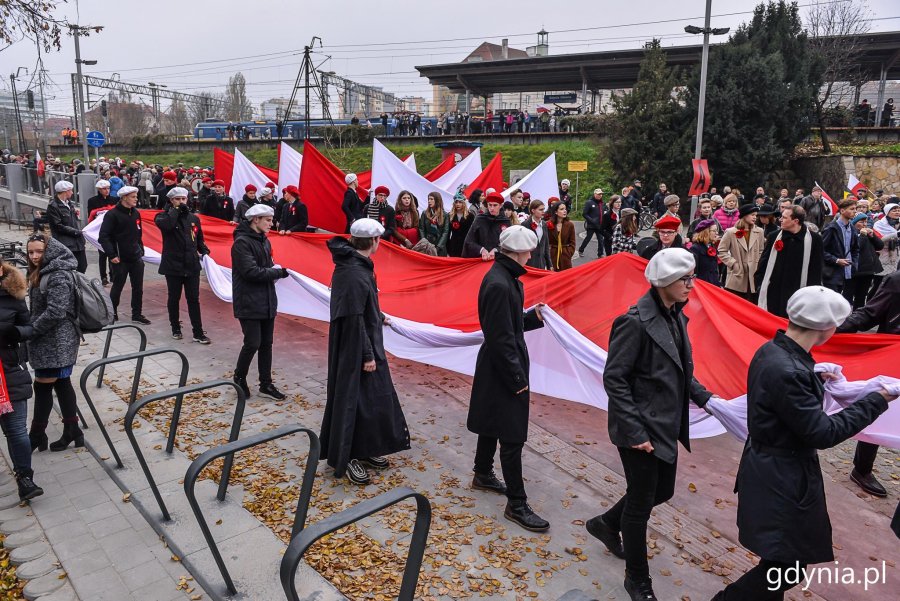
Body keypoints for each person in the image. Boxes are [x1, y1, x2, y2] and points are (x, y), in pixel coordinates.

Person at [712, 287, 896, 601]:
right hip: (782, 477)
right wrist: (875, 401)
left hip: (772, 469)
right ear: (827, 328)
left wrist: (814, 379)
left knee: (780, 559)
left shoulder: (774, 352)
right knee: (787, 565)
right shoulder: (790, 370)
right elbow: (822, 433)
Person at [594, 248, 714, 601]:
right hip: (640, 430)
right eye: (685, 279)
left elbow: (680, 368)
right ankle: (637, 579)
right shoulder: (634, 322)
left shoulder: (676, 314)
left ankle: (604, 523)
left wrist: (706, 397)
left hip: (665, 424)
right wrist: (634, 432)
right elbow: (614, 379)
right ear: (664, 282)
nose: (692, 284)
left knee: (662, 492)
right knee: (641, 504)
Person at [467, 225, 549, 532]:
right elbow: (501, 337)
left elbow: (508, 325)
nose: (530, 255)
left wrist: (531, 317)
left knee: (492, 420)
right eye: (528, 251)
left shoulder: (506, 278)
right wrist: (518, 379)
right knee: (512, 435)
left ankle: (483, 472)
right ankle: (516, 504)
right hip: (503, 366)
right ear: (516, 253)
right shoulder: (501, 284)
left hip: (497, 364)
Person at [320, 218, 410, 484]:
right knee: (353, 401)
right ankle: (347, 457)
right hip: (356, 349)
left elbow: (362, 305)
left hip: (364, 342)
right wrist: (367, 355)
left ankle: (367, 448)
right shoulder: (353, 272)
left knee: (371, 399)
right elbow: (353, 317)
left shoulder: (357, 266)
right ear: (373, 241)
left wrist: (377, 314)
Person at [836, 269, 900, 499]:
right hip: (893, 355)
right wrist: (830, 330)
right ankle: (862, 469)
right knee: (880, 407)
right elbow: (869, 314)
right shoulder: (896, 280)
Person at [24, 234, 84, 453]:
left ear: (49, 250)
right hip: (49, 339)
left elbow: (55, 312)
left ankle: (36, 435)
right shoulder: (41, 271)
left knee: (41, 386)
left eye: (39, 251)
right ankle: (72, 429)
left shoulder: (58, 274)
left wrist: (30, 330)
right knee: (61, 382)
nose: (34, 256)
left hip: (57, 341)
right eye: (31, 252)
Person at [231, 204, 290, 400]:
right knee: (252, 342)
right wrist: (278, 272)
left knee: (266, 343)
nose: (271, 224)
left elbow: (266, 266)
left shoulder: (264, 240)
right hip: (248, 301)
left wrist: (275, 269)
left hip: (266, 300)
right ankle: (239, 377)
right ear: (255, 220)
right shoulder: (241, 243)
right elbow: (250, 272)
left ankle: (266, 384)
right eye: (268, 220)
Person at [0, 261, 43, 500]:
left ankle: (25, 478)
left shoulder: (13, 294)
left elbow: (29, 327)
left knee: (16, 431)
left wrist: (16, 333)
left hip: (8, 373)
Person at [154, 187, 210, 344]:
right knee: (174, 297)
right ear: (171, 201)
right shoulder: (163, 216)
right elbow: (168, 226)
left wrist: (204, 251)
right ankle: (175, 327)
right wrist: (176, 211)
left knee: (194, 299)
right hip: (173, 265)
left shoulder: (193, 218)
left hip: (191, 265)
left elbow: (198, 238)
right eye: (177, 199)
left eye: (183, 199)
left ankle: (198, 332)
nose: (181, 202)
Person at [756, 205, 824, 318]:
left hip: (798, 291)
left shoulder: (815, 240)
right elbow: (764, 262)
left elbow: (816, 269)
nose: (780, 220)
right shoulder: (774, 237)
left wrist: (812, 293)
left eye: (784, 217)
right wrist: (759, 284)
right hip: (774, 291)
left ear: (795, 221)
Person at [98, 186, 150, 325]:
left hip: (135, 257)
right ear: (124, 197)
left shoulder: (135, 213)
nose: (136, 199)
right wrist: (112, 254)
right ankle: (112, 312)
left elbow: (138, 233)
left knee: (138, 287)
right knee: (117, 286)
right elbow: (103, 236)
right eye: (133, 197)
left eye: (136, 196)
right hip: (120, 259)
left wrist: (141, 249)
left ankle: (137, 314)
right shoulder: (112, 214)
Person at [717, 204, 765, 301]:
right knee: (735, 304)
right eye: (752, 214)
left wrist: (757, 263)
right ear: (744, 215)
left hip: (753, 275)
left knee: (751, 306)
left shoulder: (759, 231)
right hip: (737, 275)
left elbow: (761, 250)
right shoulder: (731, 232)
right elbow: (721, 251)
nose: (755, 217)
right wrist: (733, 263)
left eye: (756, 215)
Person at [843, 213, 884, 308]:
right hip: (854, 270)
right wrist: (861, 236)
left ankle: (858, 318)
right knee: (848, 296)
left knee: (861, 297)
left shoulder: (867, 234)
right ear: (854, 223)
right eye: (861, 222)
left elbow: (880, 246)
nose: (865, 224)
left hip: (867, 270)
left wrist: (872, 236)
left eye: (866, 222)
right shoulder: (848, 232)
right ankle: (845, 316)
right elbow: (855, 248)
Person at [46, 180, 87, 273]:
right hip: (66, 243)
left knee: (82, 266)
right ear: (65, 192)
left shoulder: (68, 203)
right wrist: (76, 232)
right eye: (70, 190)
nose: (72, 192)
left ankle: (79, 285)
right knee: (71, 268)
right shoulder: (53, 206)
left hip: (77, 242)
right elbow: (58, 226)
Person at [821, 198, 860, 295]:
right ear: (842, 211)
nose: (855, 211)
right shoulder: (831, 228)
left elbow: (855, 249)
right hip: (831, 273)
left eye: (855, 209)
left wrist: (854, 263)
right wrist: (836, 260)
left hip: (847, 272)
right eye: (851, 209)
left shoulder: (852, 228)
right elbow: (821, 250)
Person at [463, 192, 511, 260]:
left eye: (495, 205)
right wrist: (481, 249)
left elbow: (509, 243)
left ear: (500, 206)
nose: (492, 208)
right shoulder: (480, 219)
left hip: (499, 261)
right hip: (480, 259)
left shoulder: (506, 222)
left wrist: (496, 250)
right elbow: (469, 241)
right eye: (490, 205)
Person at [88, 179, 116, 286]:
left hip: (112, 230)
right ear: (99, 189)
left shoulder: (114, 199)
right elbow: (91, 214)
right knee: (102, 254)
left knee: (112, 252)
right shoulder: (93, 201)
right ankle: (103, 276)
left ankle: (113, 275)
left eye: (108, 188)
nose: (107, 191)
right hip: (99, 230)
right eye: (104, 189)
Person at [688, 220, 721, 285]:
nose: (717, 233)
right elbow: (694, 272)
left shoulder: (711, 246)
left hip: (712, 285)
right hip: (702, 287)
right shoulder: (695, 248)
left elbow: (714, 270)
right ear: (706, 232)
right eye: (714, 231)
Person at [522, 200, 551, 270]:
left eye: (543, 209)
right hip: (528, 263)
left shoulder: (544, 224)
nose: (543, 211)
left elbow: (546, 245)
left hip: (541, 263)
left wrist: (549, 264)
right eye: (540, 210)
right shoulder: (525, 225)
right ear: (533, 210)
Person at [548, 201, 576, 271]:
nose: (565, 211)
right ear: (555, 212)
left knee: (567, 278)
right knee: (553, 278)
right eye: (562, 209)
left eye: (565, 209)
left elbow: (573, 242)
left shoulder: (570, 225)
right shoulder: (548, 224)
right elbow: (545, 241)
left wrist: (569, 253)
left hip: (565, 255)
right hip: (553, 255)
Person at [446, 192, 473, 258]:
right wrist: (447, 247)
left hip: (465, 245)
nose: (458, 204)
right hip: (453, 245)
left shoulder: (470, 216)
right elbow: (448, 233)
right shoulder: (450, 215)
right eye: (456, 202)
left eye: (460, 202)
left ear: (463, 203)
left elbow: (472, 233)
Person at [579, 188, 604, 258]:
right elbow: (584, 214)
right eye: (598, 194)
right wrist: (592, 220)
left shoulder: (602, 203)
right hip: (591, 225)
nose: (600, 195)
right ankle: (581, 250)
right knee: (588, 238)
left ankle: (600, 254)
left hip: (599, 225)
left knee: (601, 240)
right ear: (595, 194)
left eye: (601, 194)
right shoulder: (589, 202)